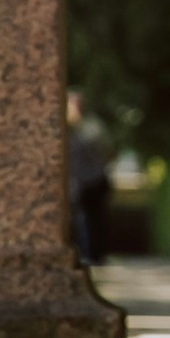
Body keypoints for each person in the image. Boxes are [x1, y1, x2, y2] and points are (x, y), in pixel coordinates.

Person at [66, 90, 116, 267]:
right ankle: (87, 253)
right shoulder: (68, 128)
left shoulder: (92, 127)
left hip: (94, 180)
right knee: (82, 219)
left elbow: (107, 151)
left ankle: (95, 255)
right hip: (78, 182)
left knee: (94, 218)